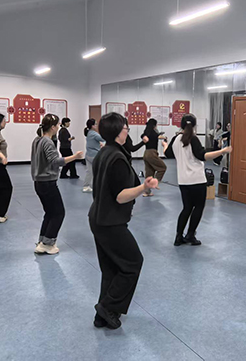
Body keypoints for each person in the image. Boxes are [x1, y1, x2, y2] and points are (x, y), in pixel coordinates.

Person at [89, 112, 159, 329]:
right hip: (110, 222)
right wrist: (144, 187)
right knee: (132, 263)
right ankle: (107, 307)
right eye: (125, 128)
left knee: (111, 268)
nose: (127, 130)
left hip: (98, 217)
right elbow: (120, 196)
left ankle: (102, 316)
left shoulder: (104, 152)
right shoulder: (116, 158)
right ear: (117, 131)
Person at [164, 114, 233, 246]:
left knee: (187, 208)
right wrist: (223, 151)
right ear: (195, 125)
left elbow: (168, 154)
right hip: (197, 180)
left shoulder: (176, 139)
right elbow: (203, 156)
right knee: (199, 207)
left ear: (181, 125)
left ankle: (178, 236)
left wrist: (165, 144)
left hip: (183, 181)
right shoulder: (193, 139)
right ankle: (190, 235)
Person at [31, 114, 83, 255]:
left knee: (50, 212)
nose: (59, 127)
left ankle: (43, 240)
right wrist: (75, 157)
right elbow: (55, 161)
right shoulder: (47, 142)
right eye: (58, 125)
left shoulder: (37, 140)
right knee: (59, 213)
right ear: (53, 127)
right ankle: (47, 244)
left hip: (39, 182)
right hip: (47, 182)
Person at [141, 118, 167, 196]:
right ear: (154, 125)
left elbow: (143, 135)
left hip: (146, 153)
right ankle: (156, 182)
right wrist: (164, 138)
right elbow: (157, 136)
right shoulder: (153, 132)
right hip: (152, 153)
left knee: (149, 174)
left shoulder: (146, 132)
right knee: (162, 167)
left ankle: (146, 192)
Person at [84, 118, 105, 193]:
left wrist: (99, 144)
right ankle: (99, 186)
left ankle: (86, 186)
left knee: (89, 172)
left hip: (88, 155)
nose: (97, 125)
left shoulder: (89, 133)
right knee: (99, 171)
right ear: (92, 126)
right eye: (95, 124)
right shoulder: (94, 134)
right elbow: (103, 139)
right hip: (94, 155)